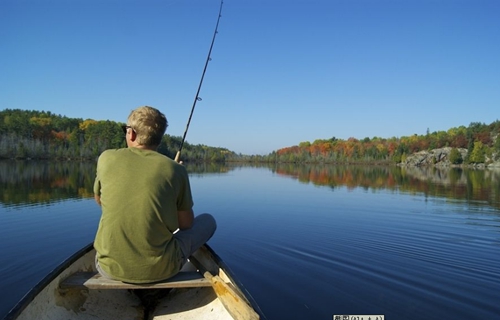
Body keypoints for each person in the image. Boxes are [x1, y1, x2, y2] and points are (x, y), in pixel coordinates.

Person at [93, 106, 216, 284]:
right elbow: (186, 224)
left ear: (132, 134)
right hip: (163, 269)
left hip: (108, 269)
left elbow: (100, 200)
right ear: (158, 138)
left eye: (125, 130)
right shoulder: (175, 170)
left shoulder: (106, 158)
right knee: (208, 220)